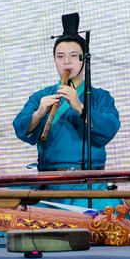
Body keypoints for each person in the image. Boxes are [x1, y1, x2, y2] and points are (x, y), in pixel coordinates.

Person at [12, 13, 120, 209]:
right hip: (49, 184)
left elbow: (109, 128)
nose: (66, 62)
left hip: (87, 182)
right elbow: (20, 127)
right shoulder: (41, 96)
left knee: (109, 213)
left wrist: (79, 106)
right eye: (60, 56)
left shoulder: (100, 96)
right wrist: (39, 113)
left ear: (84, 59)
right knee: (12, 204)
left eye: (73, 56)